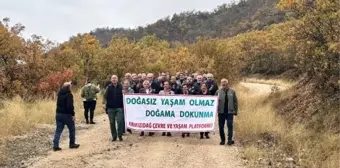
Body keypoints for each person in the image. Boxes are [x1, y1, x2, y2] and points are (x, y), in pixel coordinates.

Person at [53, 82, 80, 151]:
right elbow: (70, 106)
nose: (71, 88)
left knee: (58, 130)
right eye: (70, 87)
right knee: (72, 129)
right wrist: (73, 114)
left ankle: (55, 145)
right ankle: (72, 144)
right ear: (68, 87)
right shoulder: (69, 95)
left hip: (58, 114)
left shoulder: (59, 94)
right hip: (67, 115)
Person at [215, 78, 238, 145]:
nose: (223, 83)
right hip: (221, 112)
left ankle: (230, 140)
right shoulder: (218, 91)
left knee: (230, 125)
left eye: (225, 82)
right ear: (221, 83)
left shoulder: (232, 91)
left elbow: (235, 102)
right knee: (221, 126)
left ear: (227, 83)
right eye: (222, 82)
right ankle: (222, 140)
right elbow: (214, 102)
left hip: (229, 112)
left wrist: (235, 111)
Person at [103, 75, 124, 142]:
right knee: (112, 122)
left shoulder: (121, 87)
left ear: (117, 79)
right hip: (110, 108)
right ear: (111, 80)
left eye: (115, 78)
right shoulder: (108, 87)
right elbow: (104, 97)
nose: (114, 79)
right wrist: (104, 103)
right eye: (113, 78)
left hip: (119, 107)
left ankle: (120, 135)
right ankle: (114, 136)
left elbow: (125, 96)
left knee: (120, 121)